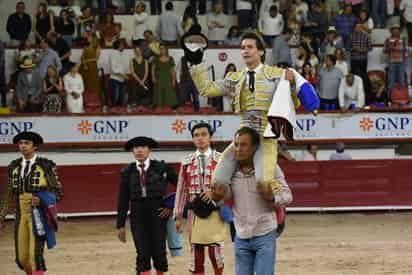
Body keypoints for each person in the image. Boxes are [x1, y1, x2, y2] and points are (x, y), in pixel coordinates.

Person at [189, 31, 318, 202]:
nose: (245, 51)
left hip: (266, 136)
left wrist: (292, 84)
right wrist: (197, 63)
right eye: (242, 48)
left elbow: (294, 103)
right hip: (243, 137)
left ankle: (280, 202)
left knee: (264, 182)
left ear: (261, 52)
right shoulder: (235, 78)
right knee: (218, 180)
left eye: (250, 47)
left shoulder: (277, 74)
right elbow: (207, 89)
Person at [221, 127, 293, 275]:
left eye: (243, 145)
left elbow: (287, 195)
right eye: (236, 144)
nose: (238, 149)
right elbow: (224, 198)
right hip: (240, 235)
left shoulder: (269, 168)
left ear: (254, 147)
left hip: (265, 233)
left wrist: (272, 197)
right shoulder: (230, 170)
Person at [0, 131, 63, 275]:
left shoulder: (46, 166)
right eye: (20, 143)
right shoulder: (13, 166)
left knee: (35, 256)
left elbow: (58, 192)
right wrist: (1, 216)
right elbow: (8, 194)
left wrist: (42, 199)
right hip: (21, 215)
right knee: (22, 259)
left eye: (26, 143)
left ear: (35, 147)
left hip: (38, 214)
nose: (23, 146)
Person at [117, 136, 177, 275]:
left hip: (158, 213)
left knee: (159, 251)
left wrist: (171, 206)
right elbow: (123, 199)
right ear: (132, 151)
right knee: (142, 252)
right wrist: (120, 225)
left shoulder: (162, 168)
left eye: (143, 147)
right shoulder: (127, 172)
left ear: (149, 150)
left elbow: (181, 187)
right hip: (137, 215)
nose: (139, 150)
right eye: (136, 148)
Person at [174, 123, 225, 275]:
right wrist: (177, 215)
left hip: (215, 211)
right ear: (193, 139)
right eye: (196, 135)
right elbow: (181, 189)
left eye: (203, 134)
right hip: (194, 213)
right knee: (196, 253)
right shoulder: (187, 161)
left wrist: (215, 193)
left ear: (210, 137)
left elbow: (228, 185)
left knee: (215, 253)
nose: (200, 138)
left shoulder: (221, 159)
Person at [384, 23, 408, 97]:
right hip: (392, 62)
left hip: (401, 63)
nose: (396, 31)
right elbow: (384, 51)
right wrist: (389, 49)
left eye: (397, 29)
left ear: (399, 31)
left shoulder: (403, 39)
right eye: (394, 29)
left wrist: (403, 52)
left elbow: (406, 51)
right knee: (390, 82)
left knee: (402, 81)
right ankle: (389, 99)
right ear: (391, 31)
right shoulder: (388, 40)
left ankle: (403, 98)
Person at [152, 43, 178, 109]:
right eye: (160, 49)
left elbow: (173, 70)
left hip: (168, 78)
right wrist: (153, 78)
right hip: (159, 78)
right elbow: (152, 69)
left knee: (169, 92)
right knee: (158, 93)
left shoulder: (170, 58)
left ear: (166, 49)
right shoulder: (156, 58)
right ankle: (158, 106)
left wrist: (174, 80)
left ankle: (170, 108)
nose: (162, 50)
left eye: (163, 48)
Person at [79, 34, 102, 106]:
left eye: (89, 37)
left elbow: (96, 58)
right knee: (85, 84)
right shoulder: (85, 47)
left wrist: (86, 61)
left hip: (92, 68)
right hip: (84, 68)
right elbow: (82, 57)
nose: (87, 38)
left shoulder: (97, 47)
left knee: (93, 84)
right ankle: (85, 102)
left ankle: (94, 102)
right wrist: (84, 62)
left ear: (93, 38)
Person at [109, 40, 129, 107]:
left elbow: (121, 68)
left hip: (121, 79)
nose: (124, 46)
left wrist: (124, 75)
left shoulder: (120, 54)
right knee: (115, 99)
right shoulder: (113, 54)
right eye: (122, 45)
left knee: (121, 100)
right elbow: (113, 69)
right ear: (119, 46)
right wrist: (123, 75)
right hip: (115, 79)